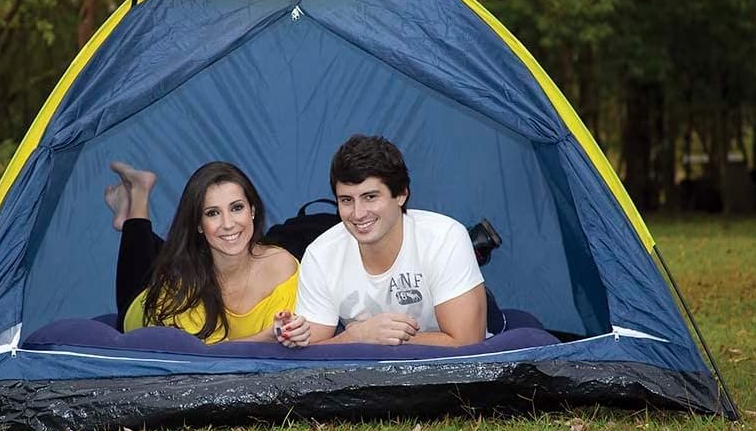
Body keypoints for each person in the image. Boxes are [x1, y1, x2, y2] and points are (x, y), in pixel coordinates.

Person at [295, 134, 500, 347]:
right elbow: (311, 355)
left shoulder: (445, 238)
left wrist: (378, 340)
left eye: (370, 197)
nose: (358, 214)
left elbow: (466, 342)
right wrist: (356, 337)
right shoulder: (320, 254)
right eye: (346, 200)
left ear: (401, 194)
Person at [104, 160, 310, 348]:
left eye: (237, 208)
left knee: (176, 251)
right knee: (140, 268)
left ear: (253, 211)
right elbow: (205, 356)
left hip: (201, 255)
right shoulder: (180, 283)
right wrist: (267, 337)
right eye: (213, 213)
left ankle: (126, 208)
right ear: (199, 225)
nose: (228, 224)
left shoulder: (281, 266)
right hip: (145, 306)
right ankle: (139, 193)